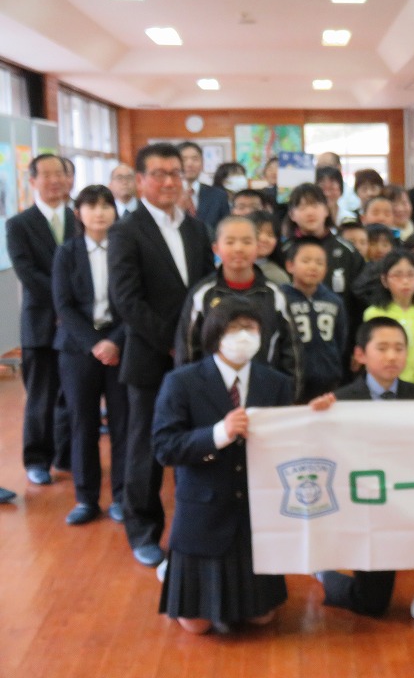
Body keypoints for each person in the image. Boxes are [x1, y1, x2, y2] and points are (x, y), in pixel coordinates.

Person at [314, 317, 414, 634]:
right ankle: (323, 574)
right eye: (382, 348)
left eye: (399, 348)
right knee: (372, 604)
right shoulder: (340, 400)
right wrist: (312, 417)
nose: (391, 356)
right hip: (369, 509)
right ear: (361, 355)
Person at [153, 299, 293, 634]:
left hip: (254, 512)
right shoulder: (182, 381)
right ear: (216, 334)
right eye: (234, 328)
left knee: (262, 618)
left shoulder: (276, 383)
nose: (244, 336)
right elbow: (164, 447)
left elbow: (289, 444)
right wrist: (219, 434)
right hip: (202, 510)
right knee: (196, 626)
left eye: (251, 329)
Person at [109, 142, 216, 567]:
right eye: (159, 174)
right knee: (145, 449)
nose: (169, 181)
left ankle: (201, 525)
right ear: (140, 181)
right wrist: (173, 342)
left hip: (197, 358)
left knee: (200, 442)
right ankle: (143, 530)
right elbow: (127, 301)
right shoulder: (126, 230)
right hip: (151, 358)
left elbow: (206, 287)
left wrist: (201, 339)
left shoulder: (195, 227)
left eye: (175, 173)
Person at [52, 185, 129, 525]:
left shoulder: (127, 250)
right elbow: (64, 305)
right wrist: (94, 344)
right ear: (78, 214)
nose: (99, 213)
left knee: (123, 424)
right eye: (91, 206)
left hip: (121, 347)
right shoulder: (67, 252)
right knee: (82, 422)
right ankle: (86, 499)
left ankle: (123, 498)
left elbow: (134, 301)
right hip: (78, 350)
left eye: (106, 206)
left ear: (115, 211)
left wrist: (114, 341)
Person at [6, 153, 76, 486]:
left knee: (74, 396)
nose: (54, 180)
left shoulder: (82, 218)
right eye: (46, 175)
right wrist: (67, 303)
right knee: (41, 397)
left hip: (80, 325)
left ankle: (67, 455)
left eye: (60, 174)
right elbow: (28, 273)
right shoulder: (18, 224)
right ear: (32, 181)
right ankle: (37, 459)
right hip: (42, 324)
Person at [175, 215, 300, 392]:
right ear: (216, 248)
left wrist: (290, 394)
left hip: (265, 390)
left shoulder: (274, 294)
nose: (239, 248)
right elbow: (187, 349)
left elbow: (292, 349)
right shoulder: (203, 294)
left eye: (247, 241)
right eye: (230, 242)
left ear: (257, 247)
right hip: (211, 391)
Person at [280, 183, 365, 340]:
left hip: (341, 338)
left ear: (326, 210)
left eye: (315, 205)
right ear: (292, 214)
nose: (310, 212)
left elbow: (360, 300)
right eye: (302, 207)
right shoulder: (284, 251)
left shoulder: (347, 251)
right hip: (292, 340)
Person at [363, 250, 414, 391]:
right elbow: (372, 356)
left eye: (410, 275)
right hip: (384, 388)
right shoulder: (373, 313)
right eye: (397, 275)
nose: (405, 282)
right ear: (384, 280)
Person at [282, 237, 348, 401]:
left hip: (327, 378)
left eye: (320, 263)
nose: (313, 267)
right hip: (291, 378)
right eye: (306, 261)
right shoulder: (280, 298)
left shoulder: (334, 301)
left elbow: (341, 339)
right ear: (290, 265)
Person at [178, 141, 230, 232]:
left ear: (202, 164)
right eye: (184, 159)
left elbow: (226, 229)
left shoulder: (219, 196)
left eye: (195, 159)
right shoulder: (168, 195)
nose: (190, 164)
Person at [251, 211, 289, 285]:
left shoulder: (279, 277)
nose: (263, 238)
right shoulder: (226, 268)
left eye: (270, 234)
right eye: (257, 232)